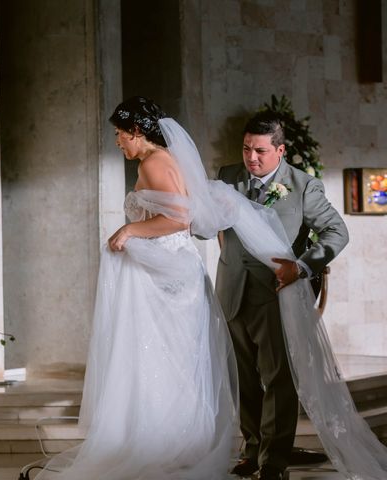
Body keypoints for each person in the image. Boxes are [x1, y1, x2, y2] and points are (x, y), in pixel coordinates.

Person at [34, 97, 238, 479]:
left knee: (158, 352)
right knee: (167, 355)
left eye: (119, 134)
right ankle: (172, 439)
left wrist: (129, 229)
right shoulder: (164, 160)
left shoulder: (154, 162)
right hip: (172, 269)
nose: (117, 142)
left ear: (137, 132)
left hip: (166, 271)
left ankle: (158, 442)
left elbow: (179, 218)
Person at [215, 112, 349, 480]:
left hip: (276, 296)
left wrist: (302, 268)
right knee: (241, 378)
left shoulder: (303, 186)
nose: (251, 158)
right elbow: (207, 225)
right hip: (231, 291)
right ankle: (252, 449)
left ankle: (273, 463)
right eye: (246, 149)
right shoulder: (228, 176)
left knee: (278, 380)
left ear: (280, 150)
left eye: (259, 151)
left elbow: (336, 233)